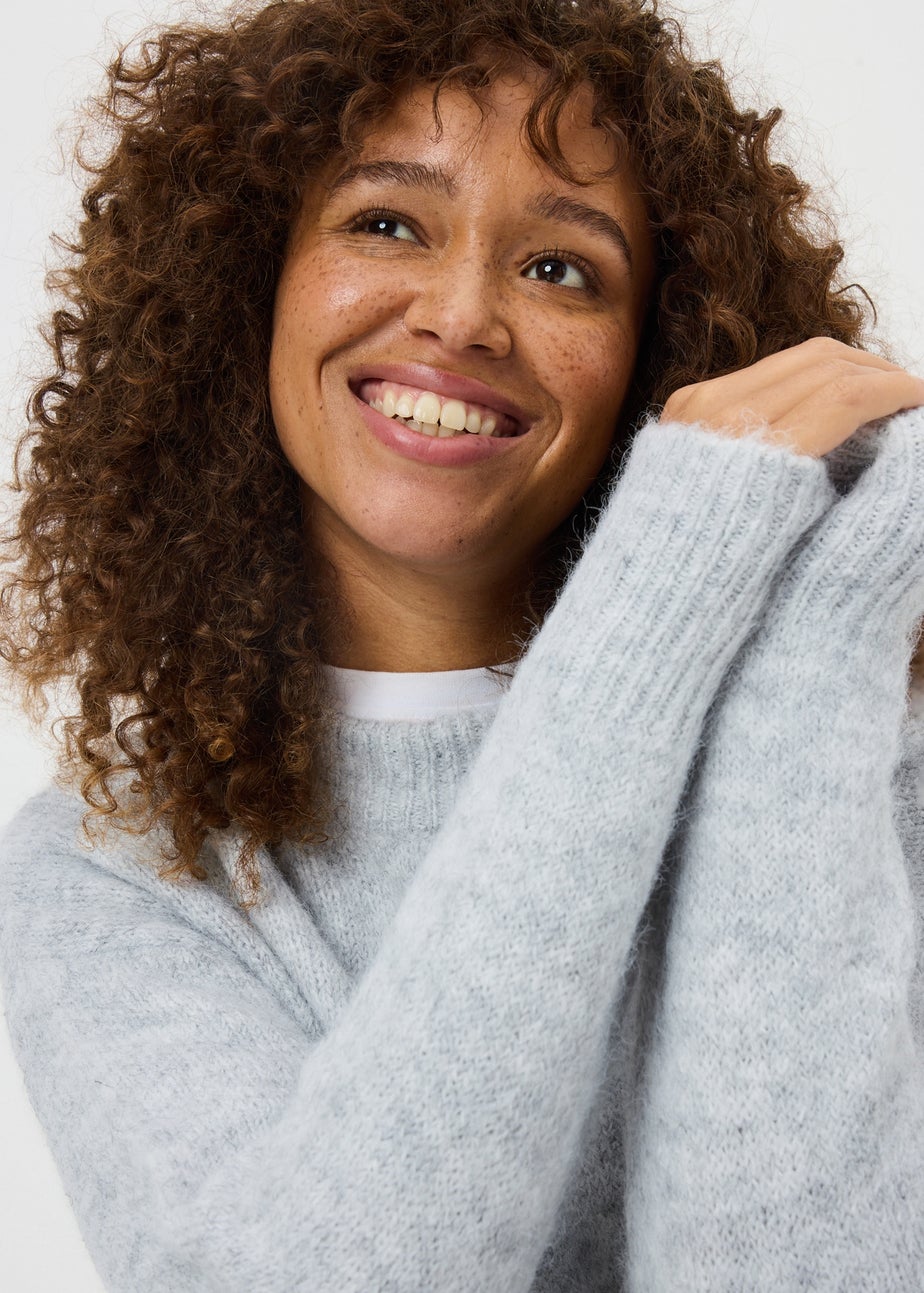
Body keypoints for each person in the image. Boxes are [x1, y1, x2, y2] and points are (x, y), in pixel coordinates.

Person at [0, 0, 922, 1288]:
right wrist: (653, 599)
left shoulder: (859, 746)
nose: (465, 316)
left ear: (654, 355)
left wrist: (806, 649)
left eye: (562, 269)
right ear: (249, 286)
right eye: (386, 222)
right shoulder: (115, 862)